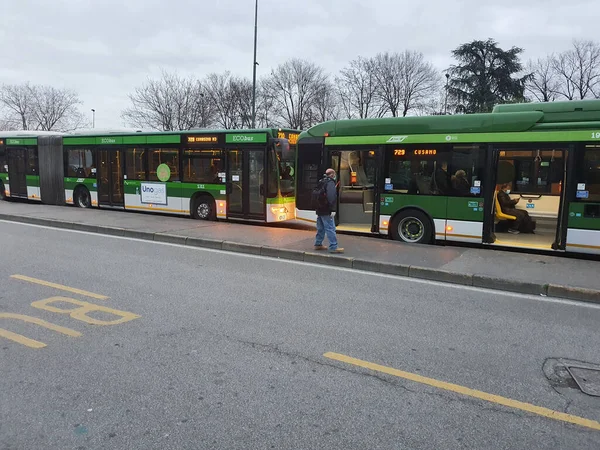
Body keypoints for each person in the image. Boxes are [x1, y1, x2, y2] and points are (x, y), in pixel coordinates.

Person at [314, 168, 344, 253]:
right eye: (334, 174)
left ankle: (318, 243)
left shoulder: (321, 181)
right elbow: (331, 197)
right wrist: (333, 209)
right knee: (330, 228)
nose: (335, 176)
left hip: (319, 209)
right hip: (326, 209)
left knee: (321, 228)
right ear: (332, 175)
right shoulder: (330, 183)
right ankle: (333, 246)